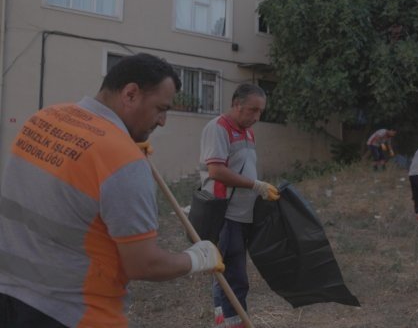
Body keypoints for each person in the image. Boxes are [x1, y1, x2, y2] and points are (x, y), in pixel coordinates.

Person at [0, 53, 224, 328]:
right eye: (160, 109)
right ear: (130, 94)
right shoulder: (122, 159)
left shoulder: (42, 119)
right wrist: (196, 258)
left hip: (10, 297)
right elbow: (144, 264)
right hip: (75, 314)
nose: (163, 120)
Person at [198, 83, 280, 328]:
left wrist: (261, 192)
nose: (256, 117)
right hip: (225, 213)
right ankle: (234, 323)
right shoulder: (219, 128)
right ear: (236, 104)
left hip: (243, 215)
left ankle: (226, 321)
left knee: (229, 274)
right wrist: (256, 186)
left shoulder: (248, 132)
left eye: (260, 112)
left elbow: (244, 167)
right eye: (252, 110)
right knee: (233, 277)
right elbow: (217, 170)